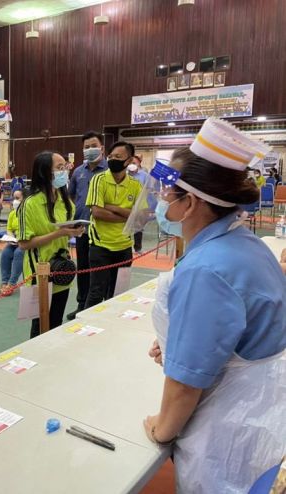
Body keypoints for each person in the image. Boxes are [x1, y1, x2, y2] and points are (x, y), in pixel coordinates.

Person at [143, 118, 285, 493]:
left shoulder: (206, 268)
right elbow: (241, 332)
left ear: (191, 203)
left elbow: (185, 385)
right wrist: (180, 345)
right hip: (260, 417)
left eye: (167, 194)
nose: (161, 200)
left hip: (226, 431)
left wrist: (160, 427)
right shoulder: (246, 245)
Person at [18, 151, 84, 339]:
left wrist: (74, 230)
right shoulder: (29, 204)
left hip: (62, 270)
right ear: (44, 172)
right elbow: (24, 244)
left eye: (65, 167)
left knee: (56, 322)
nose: (64, 172)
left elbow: (66, 229)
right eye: (59, 168)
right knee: (40, 326)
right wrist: (59, 233)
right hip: (39, 274)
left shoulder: (65, 202)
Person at [84, 141, 142, 308]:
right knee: (96, 292)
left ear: (129, 160)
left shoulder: (136, 185)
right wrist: (127, 215)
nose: (113, 159)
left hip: (124, 247)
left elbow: (139, 216)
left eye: (118, 157)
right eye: (111, 156)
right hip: (100, 245)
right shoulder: (99, 179)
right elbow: (97, 212)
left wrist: (111, 207)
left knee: (118, 294)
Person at [66, 131, 108, 320]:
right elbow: (72, 196)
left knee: (99, 270)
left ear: (102, 148)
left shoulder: (109, 170)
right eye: (86, 147)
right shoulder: (78, 172)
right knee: (82, 268)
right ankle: (82, 304)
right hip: (82, 229)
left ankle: (100, 307)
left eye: (93, 145)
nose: (90, 149)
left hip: (103, 230)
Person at [0, 189, 25, 296]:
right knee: (5, 253)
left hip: (25, 242)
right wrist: (11, 238)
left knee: (18, 253)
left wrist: (20, 239)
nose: (15, 201)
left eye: (18, 198)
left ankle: (11, 283)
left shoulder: (28, 213)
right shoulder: (12, 214)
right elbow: (9, 229)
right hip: (14, 242)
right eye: (14, 198)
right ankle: (4, 282)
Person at [127, 155, 149, 254]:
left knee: (138, 227)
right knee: (126, 225)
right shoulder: (125, 174)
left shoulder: (144, 175)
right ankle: (126, 246)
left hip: (140, 204)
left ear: (139, 164)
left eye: (134, 163)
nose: (132, 165)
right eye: (130, 163)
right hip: (126, 204)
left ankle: (138, 248)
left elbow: (148, 189)